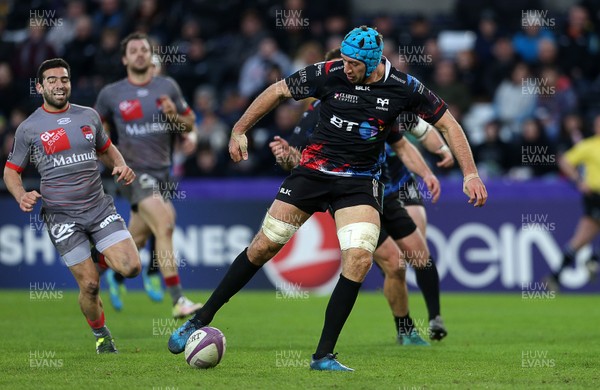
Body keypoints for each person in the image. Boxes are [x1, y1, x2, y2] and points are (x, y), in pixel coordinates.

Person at [169, 26, 487, 371]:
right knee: (264, 246)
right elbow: (278, 91)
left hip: (360, 184)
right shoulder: (329, 73)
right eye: (343, 61)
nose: (344, 68)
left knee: (360, 260)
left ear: (372, 61)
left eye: (352, 64)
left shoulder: (404, 88)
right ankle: (199, 319)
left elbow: (449, 125)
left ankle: (323, 356)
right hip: (312, 175)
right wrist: (239, 129)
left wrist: (469, 173)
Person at [269, 48, 453, 342]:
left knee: (419, 253)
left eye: (352, 67)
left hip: (386, 190)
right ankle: (405, 328)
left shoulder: (383, 99)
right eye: (344, 68)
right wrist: (285, 156)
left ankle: (435, 318)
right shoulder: (315, 113)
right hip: (354, 197)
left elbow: (411, 138)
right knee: (394, 263)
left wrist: (433, 165)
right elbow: (294, 159)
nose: (349, 74)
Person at [3, 58, 140, 353]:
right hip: (62, 216)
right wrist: (20, 195)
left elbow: (106, 149)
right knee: (90, 286)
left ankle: (96, 255)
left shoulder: (88, 116)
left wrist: (120, 165)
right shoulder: (29, 128)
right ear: (40, 87)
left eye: (63, 79)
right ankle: (102, 335)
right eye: (51, 80)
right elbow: (11, 170)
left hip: (99, 208)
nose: (59, 84)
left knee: (132, 268)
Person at [94, 32, 202, 318]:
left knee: (138, 238)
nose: (140, 54)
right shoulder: (111, 93)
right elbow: (93, 131)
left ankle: (103, 271)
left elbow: (189, 123)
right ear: (125, 58)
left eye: (144, 49)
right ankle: (178, 299)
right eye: (134, 50)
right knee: (166, 223)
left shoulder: (167, 86)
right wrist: (105, 157)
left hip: (162, 174)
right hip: (132, 173)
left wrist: (173, 117)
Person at [545, 114, 600, 291]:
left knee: (581, 239)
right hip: (595, 197)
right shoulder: (589, 145)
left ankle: (591, 260)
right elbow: (564, 161)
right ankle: (590, 260)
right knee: (582, 238)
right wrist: (578, 180)